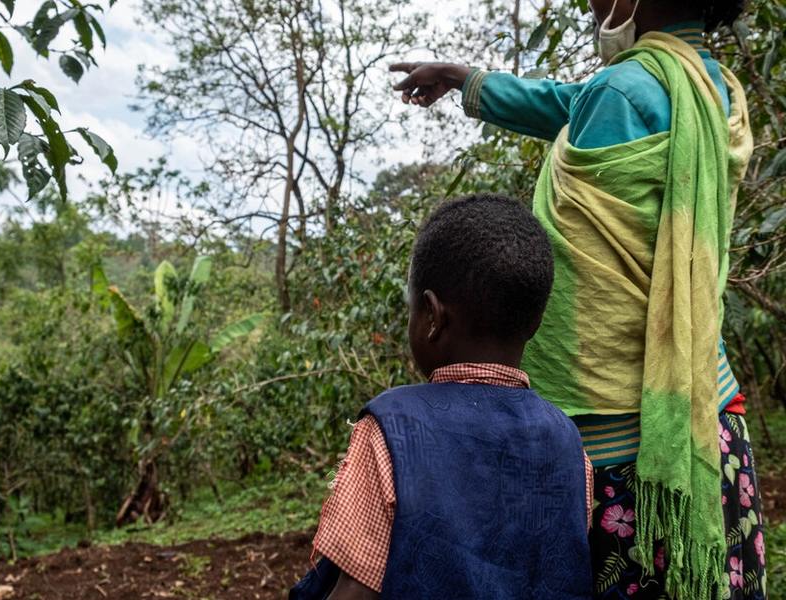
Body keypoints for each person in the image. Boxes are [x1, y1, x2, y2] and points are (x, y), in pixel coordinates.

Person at [390, 1, 767, 599]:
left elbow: (587, 102)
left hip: (624, 440)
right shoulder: (716, 87)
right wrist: (467, 80)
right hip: (709, 410)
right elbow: (573, 102)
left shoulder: (619, 92)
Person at [291, 193, 593, 600]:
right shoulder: (571, 446)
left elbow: (356, 590)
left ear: (432, 316)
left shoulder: (391, 429)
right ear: (536, 322)